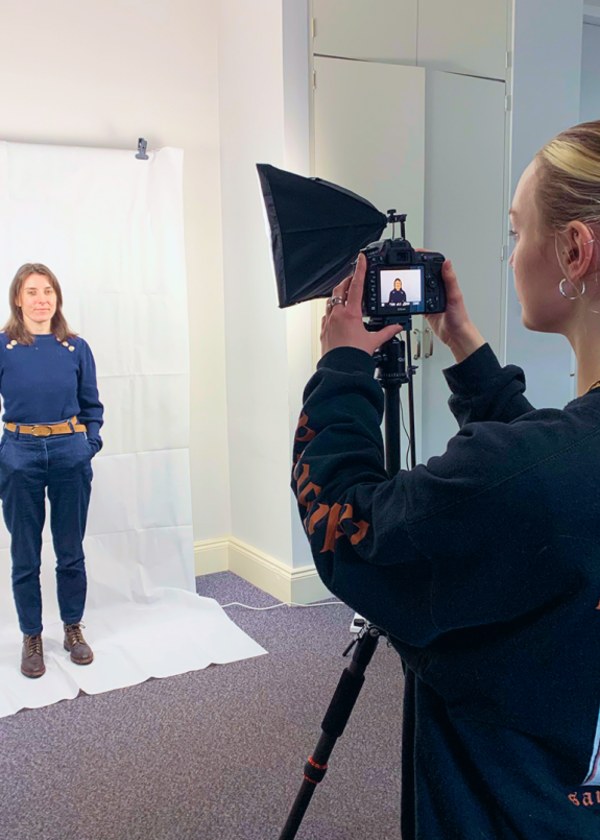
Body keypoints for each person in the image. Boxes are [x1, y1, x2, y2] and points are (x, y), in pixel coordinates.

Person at [292, 120, 600, 838]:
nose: (512, 250)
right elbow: (552, 493)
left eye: (518, 231)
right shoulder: (550, 473)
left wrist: (340, 367)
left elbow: (343, 523)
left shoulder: (532, 478)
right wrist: (465, 345)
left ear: (575, 252)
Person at [0, 263, 103, 679]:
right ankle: (32, 635)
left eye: (48, 291)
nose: (41, 299)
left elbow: (91, 404)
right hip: (19, 453)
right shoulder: (4, 347)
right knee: (25, 553)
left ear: (57, 298)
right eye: (32, 292)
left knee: (70, 550)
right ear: (18, 299)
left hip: (68, 452)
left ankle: (72, 628)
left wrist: (87, 444)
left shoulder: (75, 348)